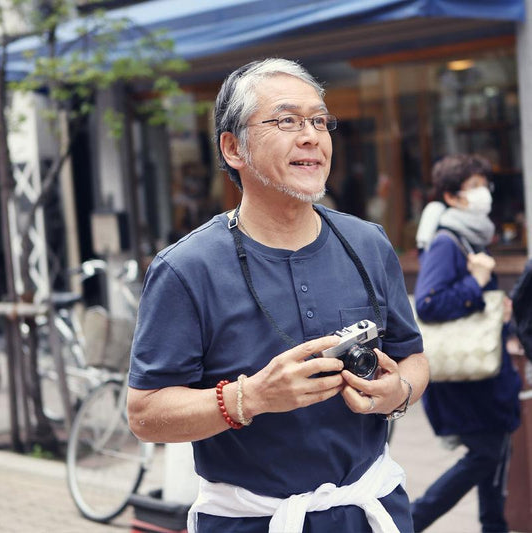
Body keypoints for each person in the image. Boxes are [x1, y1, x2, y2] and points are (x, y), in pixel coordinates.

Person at [127, 58, 429, 533]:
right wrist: (253, 397)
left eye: (318, 120)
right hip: (251, 521)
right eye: (286, 120)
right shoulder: (186, 268)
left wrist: (398, 391)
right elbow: (145, 415)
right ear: (233, 148)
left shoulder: (368, 242)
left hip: (373, 509)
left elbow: (413, 358)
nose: (311, 135)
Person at [411, 154, 521, 532]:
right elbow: (427, 303)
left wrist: (495, 307)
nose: (483, 195)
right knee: (486, 454)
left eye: (483, 186)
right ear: (452, 197)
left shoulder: (472, 235)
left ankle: (494, 526)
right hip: (468, 380)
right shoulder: (447, 241)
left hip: (485, 374)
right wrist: (475, 283)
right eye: (473, 188)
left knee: (493, 456)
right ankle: (409, 520)